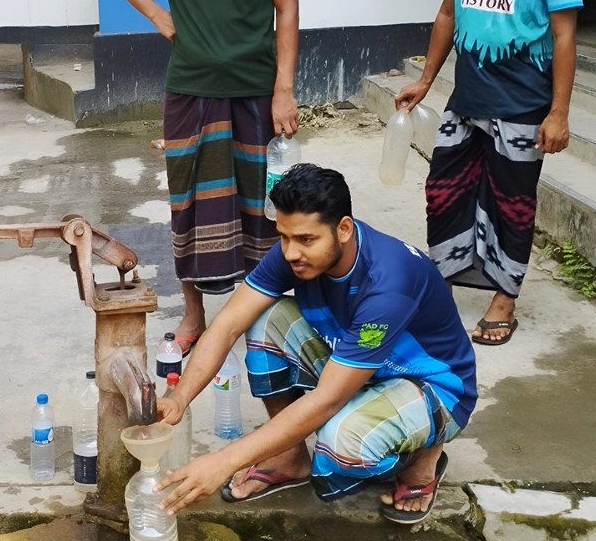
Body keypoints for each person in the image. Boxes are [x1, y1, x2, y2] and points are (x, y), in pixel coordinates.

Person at [154, 164, 476, 525]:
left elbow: (328, 399)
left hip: (432, 386)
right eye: (284, 237)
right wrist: (178, 398)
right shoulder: (296, 252)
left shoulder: (389, 283)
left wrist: (224, 462)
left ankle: (423, 457)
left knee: (341, 443)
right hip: (359, 365)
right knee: (263, 319)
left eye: (306, 239)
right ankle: (289, 457)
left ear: (343, 229)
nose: (291, 253)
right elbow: (228, 324)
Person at [104, 0, 308, 355]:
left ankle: (260, 308)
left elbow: (287, 9)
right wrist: (159, 16)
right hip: (190, 89)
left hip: (256, 89)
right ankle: (193, 308)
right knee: (190, 203)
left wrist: (283, 88)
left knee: (262, 203)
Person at [394, 0, 582, 346]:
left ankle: (504, 299)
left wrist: (559, 112)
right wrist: (426, 81)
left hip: (524, 102)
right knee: (443, 191)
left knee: (511, 201)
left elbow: (565, 34)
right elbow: (448, 13)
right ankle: (446, 283)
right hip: (468, 97)